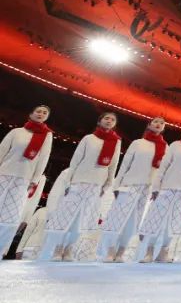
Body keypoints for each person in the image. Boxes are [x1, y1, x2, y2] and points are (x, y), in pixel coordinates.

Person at [39, 112, 121, 261]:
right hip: (79, 181)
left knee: (82, 219)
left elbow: (113, 165)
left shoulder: (116, 142)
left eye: (112, 119)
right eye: (106, 118)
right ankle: (58, 249)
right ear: (100, 121)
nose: (109, 121)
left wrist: (107, 184)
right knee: (67, 217)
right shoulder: (89, 138)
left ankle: (69, 249)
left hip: (97, 185)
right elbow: (76, 160)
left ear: (115, 124)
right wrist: (69, 181)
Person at [98, 116, 168, 262]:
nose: (158, 124)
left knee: (133, 223)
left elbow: (163, 171)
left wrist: (157, 189)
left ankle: (121, 253)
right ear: (149, 125)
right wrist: (117, 185)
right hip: (129, 185)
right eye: (155, 121)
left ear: (164, 128)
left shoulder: (165, 147)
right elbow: (125, 164)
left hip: (147, 189)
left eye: (162, 123)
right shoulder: (138, 143)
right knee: (117, 219)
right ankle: (110, 251)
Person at [137, 119, 181, 263]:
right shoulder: (175, 145)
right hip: (166, 188)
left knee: (174, 223)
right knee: (156, 220)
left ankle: (163, 252)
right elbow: (163, 167)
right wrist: (156, 188)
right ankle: (149, 252)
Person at [0, 105, 53, 255]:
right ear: (31, 114)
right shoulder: (16, 132)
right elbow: (1, 151)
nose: (41, 114)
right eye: (38, 111)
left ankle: (1, 248)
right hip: (3, 174)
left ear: (47, 117)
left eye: (45, 113)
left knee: (11, 216)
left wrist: (35, 179)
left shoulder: (47, 136)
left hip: (24, 179)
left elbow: (43, 158)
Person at [17, 168, 70, 260]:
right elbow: (28, 230)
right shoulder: (41, 211)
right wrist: (19, 249)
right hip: (30, 248)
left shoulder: (66, 217)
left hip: (48, 251)